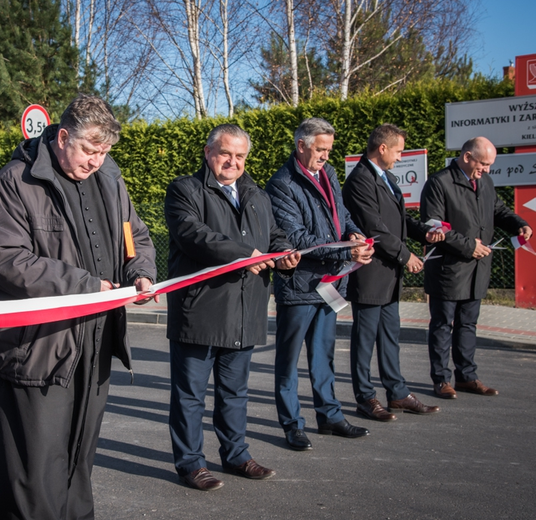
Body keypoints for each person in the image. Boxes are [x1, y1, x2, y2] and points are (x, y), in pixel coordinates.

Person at [0, 94, 157, 519]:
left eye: (105, 152)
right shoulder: (16, 180)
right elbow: (8, 261)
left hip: (95, 346)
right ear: (62, 137)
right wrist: (87, 285)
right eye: (90, 150)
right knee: (33, 470)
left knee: (78, 462)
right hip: (38, 348)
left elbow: (137, 239)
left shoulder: (112, 181)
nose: (97, 161)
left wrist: (140, 272)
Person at [164, 124, 300, 491]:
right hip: (200, 308)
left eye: (240, 156)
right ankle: (191, 464)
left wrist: (285, 252)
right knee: (190, 395)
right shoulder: (185, 190)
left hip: (246, 309)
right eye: (226, 154)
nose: (233, 162)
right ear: (208, 153)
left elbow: (273, 235)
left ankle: (236, 455)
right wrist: (245, 255)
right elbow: (194, 235)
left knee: (235, 391)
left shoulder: (257, 194)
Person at [265, 117, 373, 451]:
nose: (326, 155)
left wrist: (353, 233)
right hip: (299, 285)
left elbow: (341, 215)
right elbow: (296, 236)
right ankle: (292, 425)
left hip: (331, 282)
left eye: (329, 149)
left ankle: (329, 416)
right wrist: (345, 248)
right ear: (301, 145)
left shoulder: (329, 174)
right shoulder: (281, 183)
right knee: (289, 360)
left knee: (324, 356)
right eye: (320, 149)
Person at [342, 124, 442, 421]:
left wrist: (425, 233)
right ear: (382, 148)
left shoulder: (387, 179)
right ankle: (365, 397)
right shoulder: (359, 180)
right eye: (398, 151)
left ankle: (397, 393)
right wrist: (406, 255)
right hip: (371, 274)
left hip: (389, 275)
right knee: (364, 340)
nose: (400, 157)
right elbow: (375, 229)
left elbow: (399, 219)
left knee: (389, 337)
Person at [421, 136, 532, 398]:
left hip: (477, 269)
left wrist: (519, 223)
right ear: (467, 157)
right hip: (449, 268)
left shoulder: (486, 182)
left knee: (468, 325)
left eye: (490, 165)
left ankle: (467, 377)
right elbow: (433, 225)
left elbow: (499, 210)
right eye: (483, 163)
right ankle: (441, 380)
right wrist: (469, 245)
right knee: (442, 325)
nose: (487, 170)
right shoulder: (439, 182)